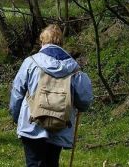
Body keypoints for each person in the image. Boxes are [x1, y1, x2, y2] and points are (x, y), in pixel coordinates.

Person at [9, 24, 93, 167]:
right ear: (61, 42)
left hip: (32, 124)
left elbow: (17, 93)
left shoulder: (30, 63)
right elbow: (84, 101)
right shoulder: (74, 68)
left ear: (42, 42)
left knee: (34, 163)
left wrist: (16, 117)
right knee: (52, 162)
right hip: (59, 125)